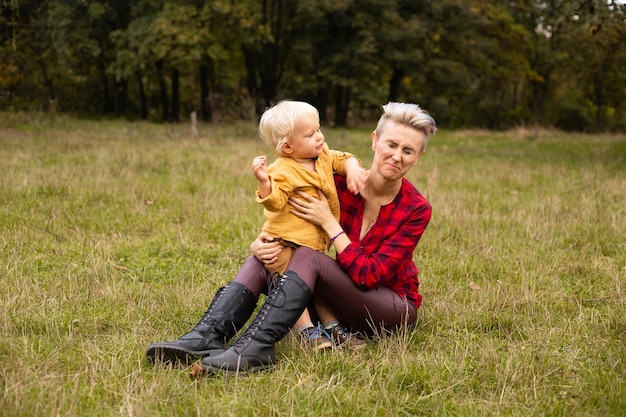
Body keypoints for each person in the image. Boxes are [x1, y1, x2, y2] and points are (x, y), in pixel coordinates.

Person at [147, 102, 437, 375]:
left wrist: (329, 222)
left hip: (390, 310)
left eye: (408, 151)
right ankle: (207, 335)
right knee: (271, 254)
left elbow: (368, 276)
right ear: (375, 140)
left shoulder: (416, 209)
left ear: (418, 156)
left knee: (308, 257)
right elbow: (287, 223)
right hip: (340, 298)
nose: (397, 156)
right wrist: (261, 243)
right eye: (392, 144)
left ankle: (254, 348)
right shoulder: (334, 183)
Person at [251, 100, 367, 350]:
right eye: (311, 134)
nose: (319, 137)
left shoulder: (322, 153)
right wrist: (263, 181)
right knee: (291, 287)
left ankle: (334, 328)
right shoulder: (282, 169)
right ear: (288, 146)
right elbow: (275, 200)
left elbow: (341, 158)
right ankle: (307, 332)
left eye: (319, 129)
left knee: (318, 288)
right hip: (281, 243)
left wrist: (353, 168)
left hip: (311, 244)